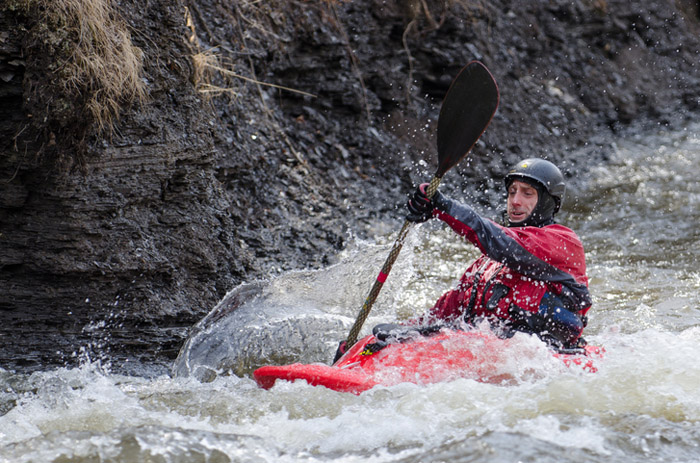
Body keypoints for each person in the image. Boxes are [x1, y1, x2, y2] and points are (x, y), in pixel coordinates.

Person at [399, 158, 591, 352]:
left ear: (548, 202)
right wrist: (406, 332)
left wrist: (445, 208)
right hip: (488, 353)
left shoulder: (563, 242)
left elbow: (503, 242)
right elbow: (445, 311)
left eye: (527, 194)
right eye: (512, 192)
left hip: (544, 356)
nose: (515, 201)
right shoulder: (489, 264)